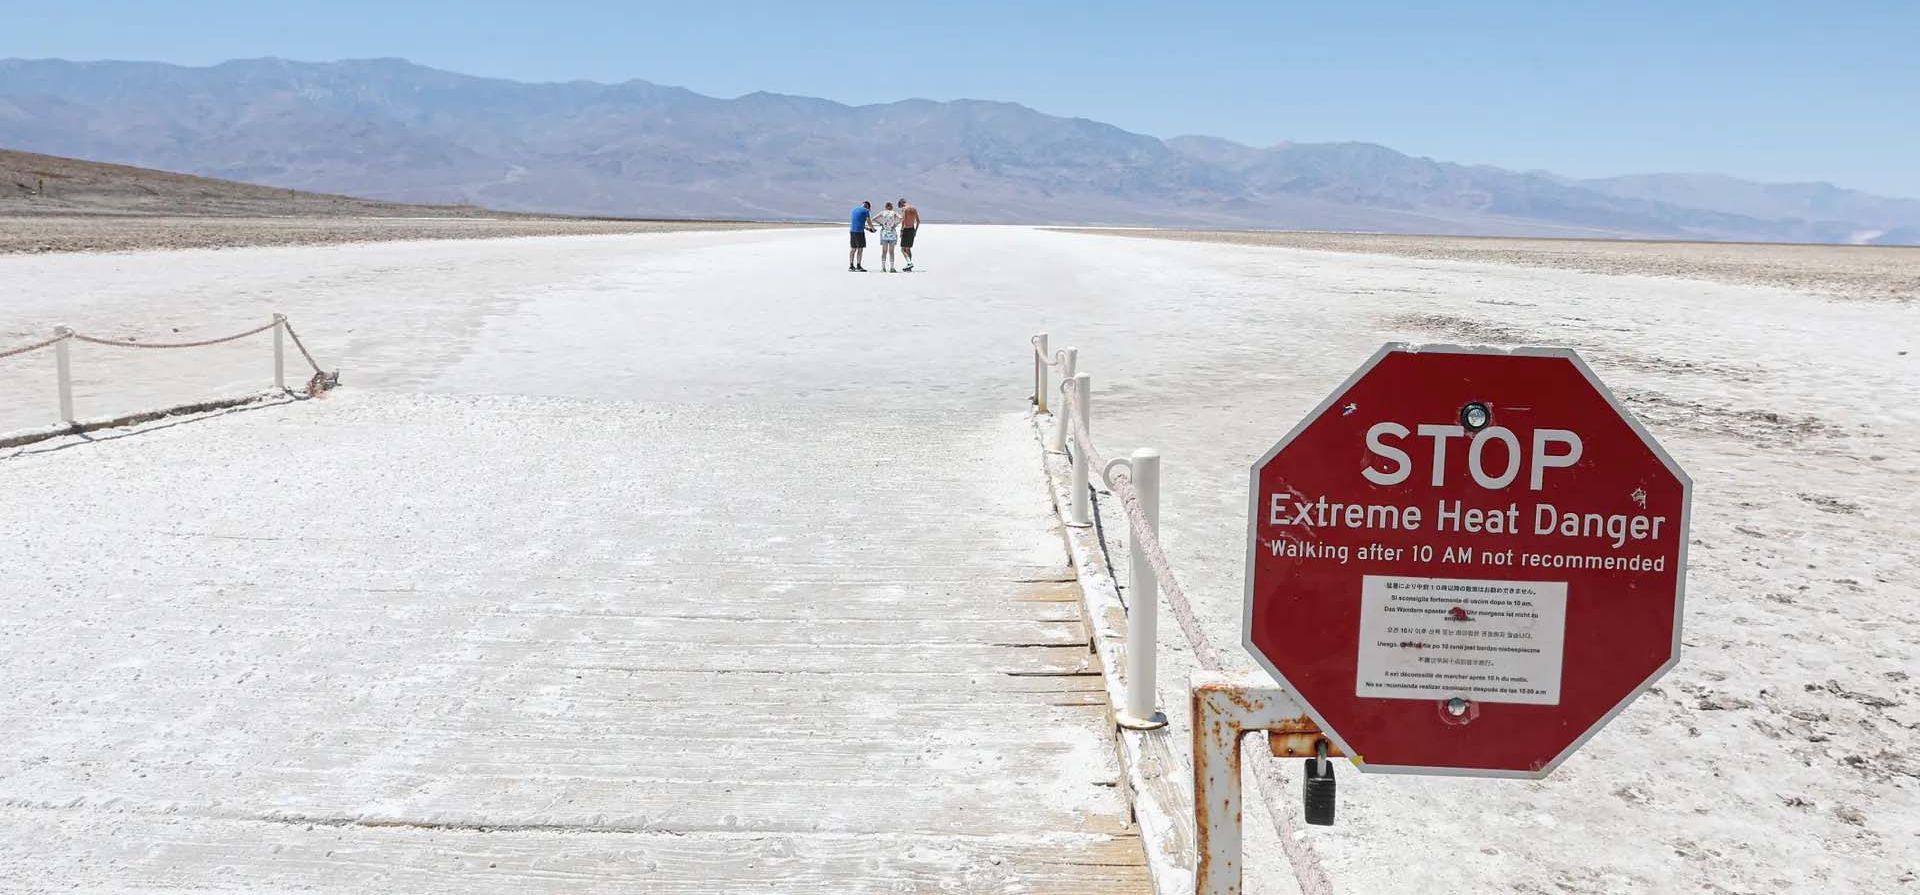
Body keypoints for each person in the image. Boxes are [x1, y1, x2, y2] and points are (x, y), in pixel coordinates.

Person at [873, 202, 903, 272]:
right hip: (892, 232)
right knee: (891, 251)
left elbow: (873, 218)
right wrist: (895, 224)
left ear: (885, 207)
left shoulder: (882, 212)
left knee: (884, 251)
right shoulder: (894, 213)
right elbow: (901, 218)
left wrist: (881, 223)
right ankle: (892, 268)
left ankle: (883, 268)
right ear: (891, 207)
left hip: (884, 233)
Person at [848, 200, 874, 271]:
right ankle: (858, 266)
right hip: (859, 232)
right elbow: (869, 221)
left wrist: (867, 229)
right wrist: (873, 228)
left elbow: (858, 222)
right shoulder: (866, 211)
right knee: (860, 249)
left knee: (853, 249)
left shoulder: (854, 210)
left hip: (852, 231)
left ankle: (851, 266)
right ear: (867, 206)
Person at [897, 198, 919, 271]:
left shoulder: (904, 209)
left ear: (901, 204)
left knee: (903, 249)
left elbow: (903, 221)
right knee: (908, 248)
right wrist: (915, 231)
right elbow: (918, 221)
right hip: (912, 229)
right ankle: (909, 266)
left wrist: (901, 230)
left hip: (906, 229)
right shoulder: (914, 208)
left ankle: (909, 263)